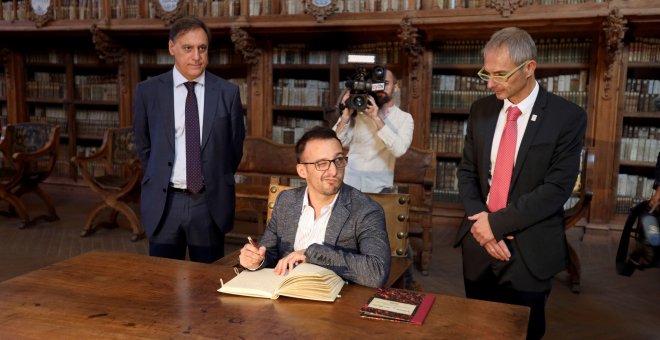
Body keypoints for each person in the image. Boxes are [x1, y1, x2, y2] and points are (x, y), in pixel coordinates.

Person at [454, 27, 587, 339]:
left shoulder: (567, 117)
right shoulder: (481, 110)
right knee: (477, 328)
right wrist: (483, 226)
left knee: (525, 332)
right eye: (486, 73)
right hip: (478, 244)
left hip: (530, 251)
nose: (490, 83)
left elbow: (556, 190)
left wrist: (495, 226)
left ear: (529, 68)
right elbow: (467, 172)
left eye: (500, 74)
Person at [133, 16, 245, 264]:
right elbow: (144, 146)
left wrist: (214, 178)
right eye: (188, 48)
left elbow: (234, 149)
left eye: (202, 48)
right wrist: (160, 174)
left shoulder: (228, 93)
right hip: (165, 203)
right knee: (162, 283)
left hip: (208, 204)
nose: (197, 56)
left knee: (208, 285)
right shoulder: (148, 91)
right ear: (172, 48)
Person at [238, 126, 391, 288]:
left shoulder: (366, 210)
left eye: (338, 160)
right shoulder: (286, 201)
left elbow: (377, 273)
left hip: (336, 303)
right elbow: (269, 252)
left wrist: (311, 253)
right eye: (322, 163)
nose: (333, 171)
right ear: (302, 170)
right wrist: (256, 260)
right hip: (283, 294)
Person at [332, 68, 414, 194]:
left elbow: (399, 150)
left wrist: (376, 118)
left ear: (396, 87)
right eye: (376, 84)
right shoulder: (359, 111)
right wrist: (345, 116)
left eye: (385, 84)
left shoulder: (405, 118)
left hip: (380, 187)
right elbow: (335, 143)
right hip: (348, 183)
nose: (380, 88)